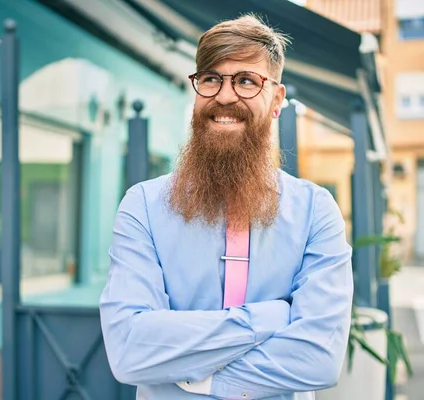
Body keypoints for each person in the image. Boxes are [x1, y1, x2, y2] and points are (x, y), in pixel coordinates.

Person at [99, 14, 353, 400]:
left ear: (277, 100)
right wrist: (270, 318)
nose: (225, 96)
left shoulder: (315, 211)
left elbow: (318, 359)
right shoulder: (144, 206)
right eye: (211, 78)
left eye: (247, 81)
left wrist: (197, 379)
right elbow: (129, 352)